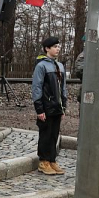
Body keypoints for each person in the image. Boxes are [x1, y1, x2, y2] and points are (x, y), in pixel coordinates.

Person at [32, 36, 67, 176]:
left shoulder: (60, 66)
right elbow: (36, 87)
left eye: (58, 46)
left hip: (57, 107)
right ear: (47, 48)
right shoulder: (41, 66)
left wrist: (64, 105)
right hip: (46, 106)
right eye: (55, 47)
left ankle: (52, 159)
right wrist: (39, 108)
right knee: (45, 134)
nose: (57, 49)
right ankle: (43, 161)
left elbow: (63, 87)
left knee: (54, 134)